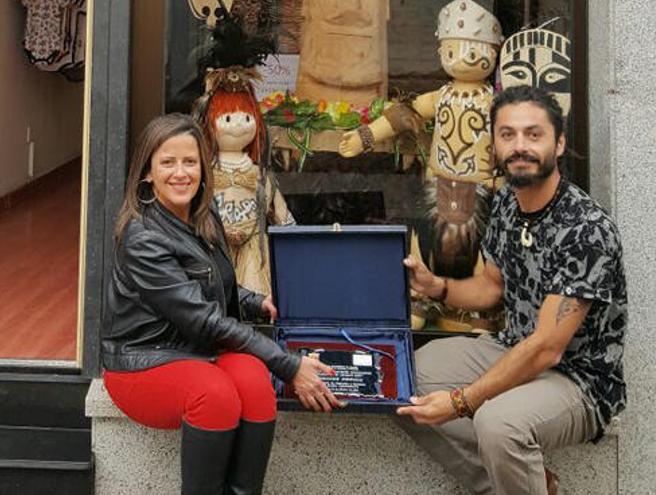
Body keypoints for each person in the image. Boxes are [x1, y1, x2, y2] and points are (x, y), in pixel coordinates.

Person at [396, 85, 627, 495]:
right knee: (399, 379)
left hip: (578, 380)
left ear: (558, 144)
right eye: (508, 135)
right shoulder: (506, 205)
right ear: (494, 145)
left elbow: (546, 348)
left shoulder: (585, 228)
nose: (520, 146)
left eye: (533, 134)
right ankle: (524, 485)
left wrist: (460, 402)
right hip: (511, 346)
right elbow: (490, 288)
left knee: (498, 423)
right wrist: (438, 287)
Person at [101, 113, 341, 495]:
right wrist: (288, 363)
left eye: (190, 162)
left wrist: (259, 302)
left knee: (253, 380)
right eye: (168, 162)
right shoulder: (141, 237)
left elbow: (215, 287)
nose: (181, 173)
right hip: (143, 361)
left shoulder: (203, 212)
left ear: (203, 167)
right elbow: (202, 319)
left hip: (196, 349)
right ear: (147, 172)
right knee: (214, 394)